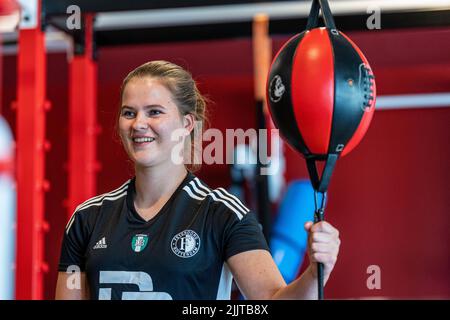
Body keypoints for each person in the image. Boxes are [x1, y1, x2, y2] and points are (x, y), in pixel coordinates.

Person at [55, 60, 340, 300]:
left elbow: (272, 299)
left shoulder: (223, 214)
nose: (138, 123)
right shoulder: (87, 219)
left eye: (154, 111)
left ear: (187, 124)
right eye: (129, 113)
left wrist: (317, 273)